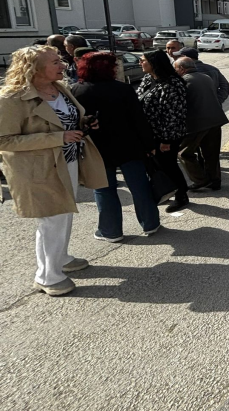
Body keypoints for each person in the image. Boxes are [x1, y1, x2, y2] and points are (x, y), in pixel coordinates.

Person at [0, 46, 107, 296]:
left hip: (66, 161)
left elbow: (63, 119)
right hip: (37, 169)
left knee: (64, 214)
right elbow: (4, 140)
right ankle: (47, 276)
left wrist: (83, 123)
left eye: (61, 60)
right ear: (33, 68)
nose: (63, 65)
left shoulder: (59, 87)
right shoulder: (12, 98)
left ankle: (61, 257)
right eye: (55, 62)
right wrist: (58, 137)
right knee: (51, 220)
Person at [70, 52, 160, 241]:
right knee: (139, 186)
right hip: (129, 145)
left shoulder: (76, 91)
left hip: (97, 148)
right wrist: (149, 144)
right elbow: (139, 119)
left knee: (104, 189)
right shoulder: (123, 89)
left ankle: (110, 231)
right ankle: (150, 223)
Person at [136, 50, 189, 213]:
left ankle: (181, 195)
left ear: (154, 63)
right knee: (158, 165)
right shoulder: (148, 78)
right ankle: (168, 190)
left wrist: (166, 141)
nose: (140, 63)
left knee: (168, 165)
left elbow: (174, 114)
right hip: (150, 133)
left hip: (167, 135)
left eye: (143, 60)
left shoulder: (173, 84)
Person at [174, 56, 228, 192]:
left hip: (198, 122)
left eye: (175, 68)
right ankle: (215, 181)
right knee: (211, 153)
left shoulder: (183, 81)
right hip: (215, 119)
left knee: (184, 153)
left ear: (182, 69)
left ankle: (200, 180)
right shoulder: (205, 77)